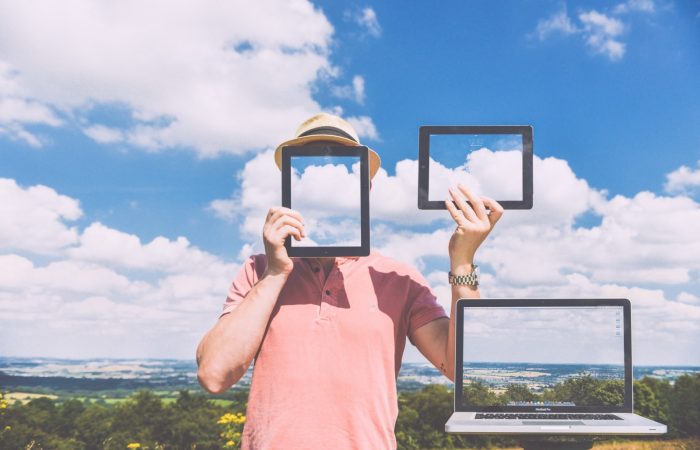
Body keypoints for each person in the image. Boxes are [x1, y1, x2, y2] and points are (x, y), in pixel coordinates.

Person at [196, 113, 504, 449]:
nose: (325, 180)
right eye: (307, 168)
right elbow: (214, 375)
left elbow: (461, 369)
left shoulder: (398, 278)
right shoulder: (258, 269)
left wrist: (462, 260)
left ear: (366, 187)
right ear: (289, 185)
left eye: (343, 169)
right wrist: (275, 272)